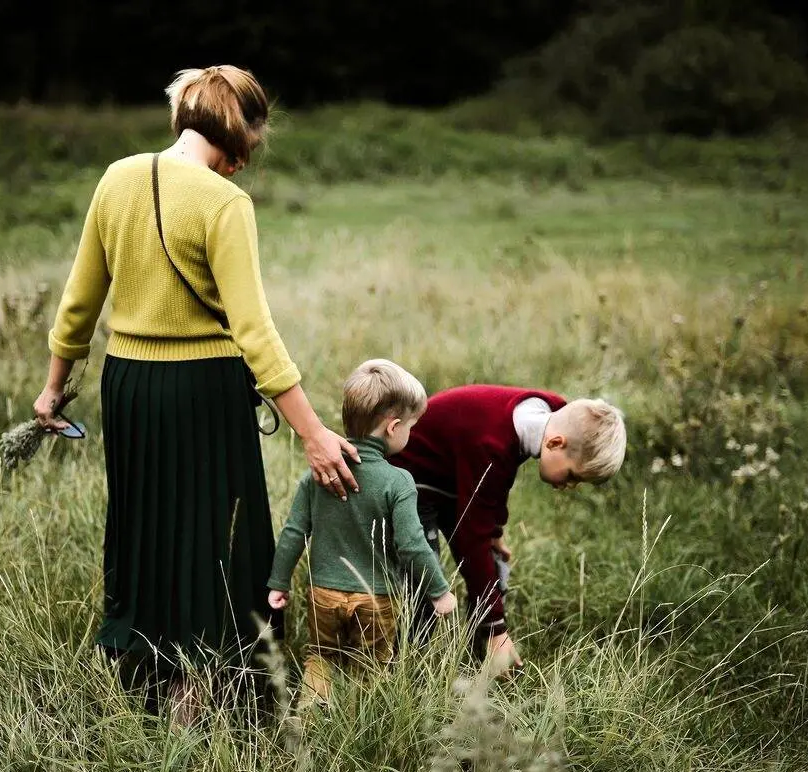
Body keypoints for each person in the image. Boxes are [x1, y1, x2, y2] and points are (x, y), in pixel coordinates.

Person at [33, 66, 359, 713]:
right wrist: (315, 433)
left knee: (146, 528)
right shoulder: (225, 203)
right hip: (202, 392)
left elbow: (78, 304)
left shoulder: (117, 176)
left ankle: (148, 679)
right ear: (240, 134)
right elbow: (255, 332)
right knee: (223, 539)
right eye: (253, 147)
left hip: (128, 385)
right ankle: (220, 690)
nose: (247, 164)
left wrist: (53, 390)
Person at [388, 385, 626, 670]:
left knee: (492, 565)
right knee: (424, 580)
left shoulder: (552, 412)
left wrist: (495, 532)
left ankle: (482, 651)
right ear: (555, 443)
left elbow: (493, 486)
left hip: (453, 477)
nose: (570, 486)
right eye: (573, 475)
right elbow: (471, 534)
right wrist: (496, 629)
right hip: (411, 480)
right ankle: (406, 666)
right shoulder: (494, 443)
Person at [266, 359, 458, 706]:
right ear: (393, 427)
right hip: (376, 597)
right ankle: (358, 727)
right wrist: (439, 591)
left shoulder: (316, 474)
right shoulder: (397, 481)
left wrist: (279, 583)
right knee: (370, 667)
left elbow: (294, 532)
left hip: (322, 592)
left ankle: (309, 723)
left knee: (320, 658)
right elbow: (412, 545)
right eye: (411, 426)